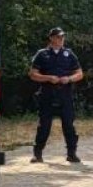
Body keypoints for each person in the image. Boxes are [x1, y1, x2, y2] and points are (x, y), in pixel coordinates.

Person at [29, 27, 84, 163]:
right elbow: (32, 74)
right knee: (44, 126)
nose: (61, 39)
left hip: (65, 94)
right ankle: (38, 153)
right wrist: (48, 78)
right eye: (58, 37)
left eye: (62, 37)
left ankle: (72, 153)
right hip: (47, 94)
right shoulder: (42, 54)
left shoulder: (69, 54)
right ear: (51, 38)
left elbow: (80, 74)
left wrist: (69, 79)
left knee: (69, 125)